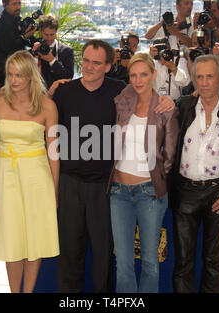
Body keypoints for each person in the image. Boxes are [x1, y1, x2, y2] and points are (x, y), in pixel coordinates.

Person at [51, 39, 175, 293]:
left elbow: (150, 96)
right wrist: (50, 89)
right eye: (85, 60)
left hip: (105, 187)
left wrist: (171, 101)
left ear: (108, 66)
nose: (89, 67)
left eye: (97, 63)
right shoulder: (64, 92)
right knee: (69, 254)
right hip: (70, 183)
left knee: (104, 257)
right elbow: (44, 123)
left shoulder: (120, 92)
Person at [171, 54, 219, 293]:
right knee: (183, 262)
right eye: (199, 77)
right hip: (186, 192)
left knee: (213, 262)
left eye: (209, 76)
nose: (204, 82)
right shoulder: (184, 106)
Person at [0, 50, 60, 293]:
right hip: (6, 176)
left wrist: (55, 189)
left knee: (34, 239)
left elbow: (53, 153)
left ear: (31, 76)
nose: (14, 80)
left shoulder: (48, 106)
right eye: (10, 75)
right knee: (12, 239)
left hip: (37, 179)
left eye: (19, 75)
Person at [108, 53, 178, 293]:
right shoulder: (121, 101)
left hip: (149, 192)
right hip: (118, 193)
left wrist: (152, 178)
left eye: (144, 75)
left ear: (154, 74)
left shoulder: (164, 108)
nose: (138, 80)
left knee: (150, 261)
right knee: (123, 263)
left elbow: (169, 156)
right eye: (133, 75)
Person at [0, 0, 36, 88]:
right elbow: (9, 48)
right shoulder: (3, 22)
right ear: (4, 5)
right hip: (3, 71)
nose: (18, 7)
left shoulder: (13, 19)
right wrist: (24, 37)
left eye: (19, 3)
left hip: (9, 68)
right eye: (14, 4)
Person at [33, 15, 74, 89]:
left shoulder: (67, 51)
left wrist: (52, 60)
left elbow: (69, 76)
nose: (49, 38)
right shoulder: (34, 49)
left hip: (59, 95)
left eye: (52, 35)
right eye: (46, 35)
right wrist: (35, 57)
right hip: (38, 94)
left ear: (56, 32)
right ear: (41, 32)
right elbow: (27, 75)